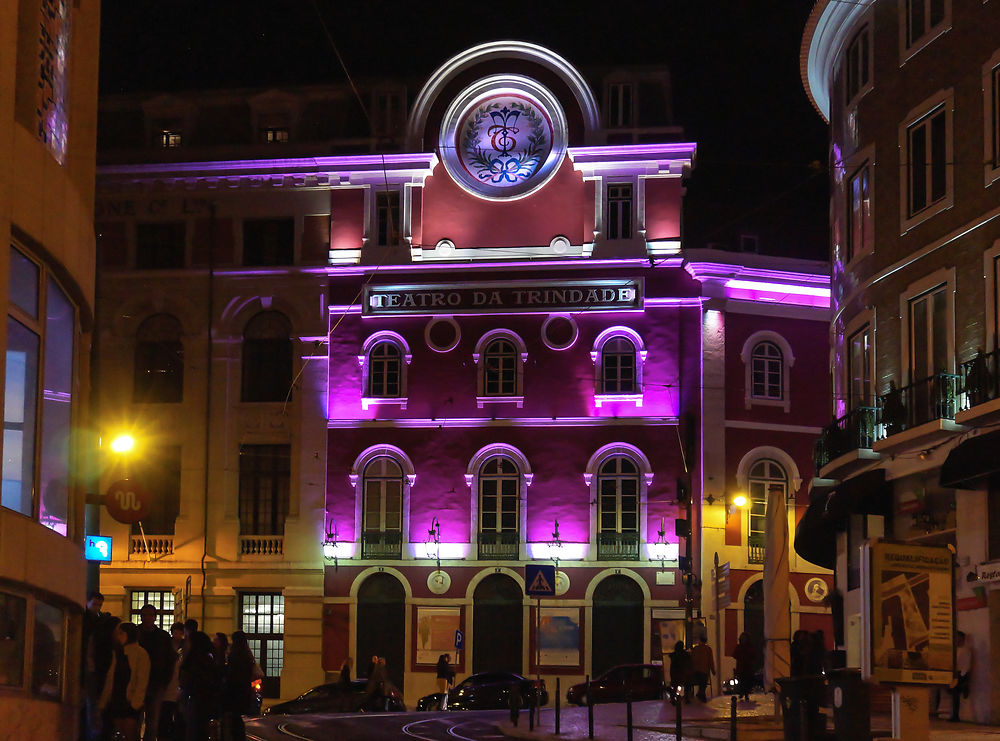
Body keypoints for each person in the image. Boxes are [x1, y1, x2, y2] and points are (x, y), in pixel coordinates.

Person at [102, 622, 151, 741]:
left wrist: (136, 702)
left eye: (121, 633)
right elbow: (110, 679)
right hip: (116, 698)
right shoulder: (117, 652)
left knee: (129, 733)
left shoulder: (140, 653)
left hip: (129, 700)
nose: (118, 636)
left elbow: (142, 680)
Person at [138, 605, 176, 741]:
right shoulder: (138, 634)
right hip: (141, 682)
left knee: (152, 721)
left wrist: (165, 681)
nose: (147, 618)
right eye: (145, 615)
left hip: (155, 682)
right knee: (138, 719)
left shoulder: (162, 636)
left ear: (154, 617)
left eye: (150, 615)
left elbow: (170, 660)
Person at [179, 631, 221, 741]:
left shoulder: (196, 659)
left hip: (196, 700)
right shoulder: (209, 658)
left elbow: (192, 680)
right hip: (203, 700)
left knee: (193, 730)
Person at [222, 631, 258, 741]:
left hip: (234, 691)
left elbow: (231, 674)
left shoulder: (234, 654)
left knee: (234, 720)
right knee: (239, 720)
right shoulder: (247, 654)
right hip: (244, 691)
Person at [159, 623, 185, 741]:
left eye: (180, 632)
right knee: (166, 714)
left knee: (177, 714)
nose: (178, 635)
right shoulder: (168, 646)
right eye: (176, 632)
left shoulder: (185, 647)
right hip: (169, 686)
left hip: (178, 686)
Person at [950, 631, 972, 722]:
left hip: (961, 673)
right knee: (954, 695)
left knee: (956, 694)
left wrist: (963, 674)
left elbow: (966, 663)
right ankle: (955, 715)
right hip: (956, 673)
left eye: (957, 637)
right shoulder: (956, 649)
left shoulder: (965, 650)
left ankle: (956, 715)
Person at [689, 633, 715, 702]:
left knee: (699, 683)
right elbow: (710, 660)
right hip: (704, 670)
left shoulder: (695, 649)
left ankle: (700, 695)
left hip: (696, 669)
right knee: (703, 684)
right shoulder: (708, 649)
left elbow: (691, 659)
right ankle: (701, 695)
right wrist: (713, 670)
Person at [732, 632, 757, 702]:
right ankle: (744, 693)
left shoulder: (742, 647)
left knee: (745, 681)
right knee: (744, 681)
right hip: (745, 668)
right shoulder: (746, 647)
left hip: (745, 668)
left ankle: (744, 693)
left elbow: (734, 655)